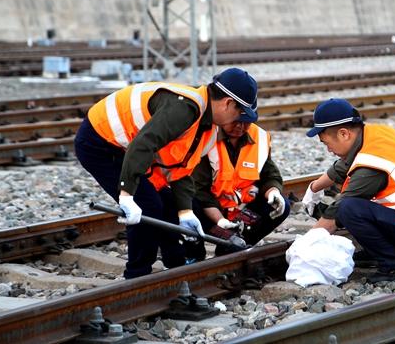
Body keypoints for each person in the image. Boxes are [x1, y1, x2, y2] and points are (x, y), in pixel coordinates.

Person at [74, 67, 258, 278]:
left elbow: (180, 167)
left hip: (127, 147)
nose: (239, 120)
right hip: (99, 142)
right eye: (240, 113)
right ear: (227, 103)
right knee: (147, 205)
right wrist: (126, 194)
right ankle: (137, 276)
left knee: (168, 204)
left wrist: (185, 211)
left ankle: (176, 266)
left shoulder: (205, 125)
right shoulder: (185, 109)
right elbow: (142, 145)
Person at [301, 99, 395, 284]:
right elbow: (343, 166)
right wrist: (314, 187)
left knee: (348, 209)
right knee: (356, 207)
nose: (328, 150)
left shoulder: (372, 167)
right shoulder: (371, 135)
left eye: (326, 143)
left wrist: (305, 246)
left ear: (344, 134)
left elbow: (335, 213)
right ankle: (380, 250)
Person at [184, 108, 290, 261]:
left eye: (246, 123)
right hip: (209, 212)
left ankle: (232, 248)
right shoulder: (206, 136)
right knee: (188, 205)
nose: (240, 127)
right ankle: (194, 255)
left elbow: (269, 175)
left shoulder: (259, 138)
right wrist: (220, 221)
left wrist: (273, 191)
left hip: (239, 214)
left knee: (281, 205)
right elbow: (198, 190)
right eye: (235, 121)